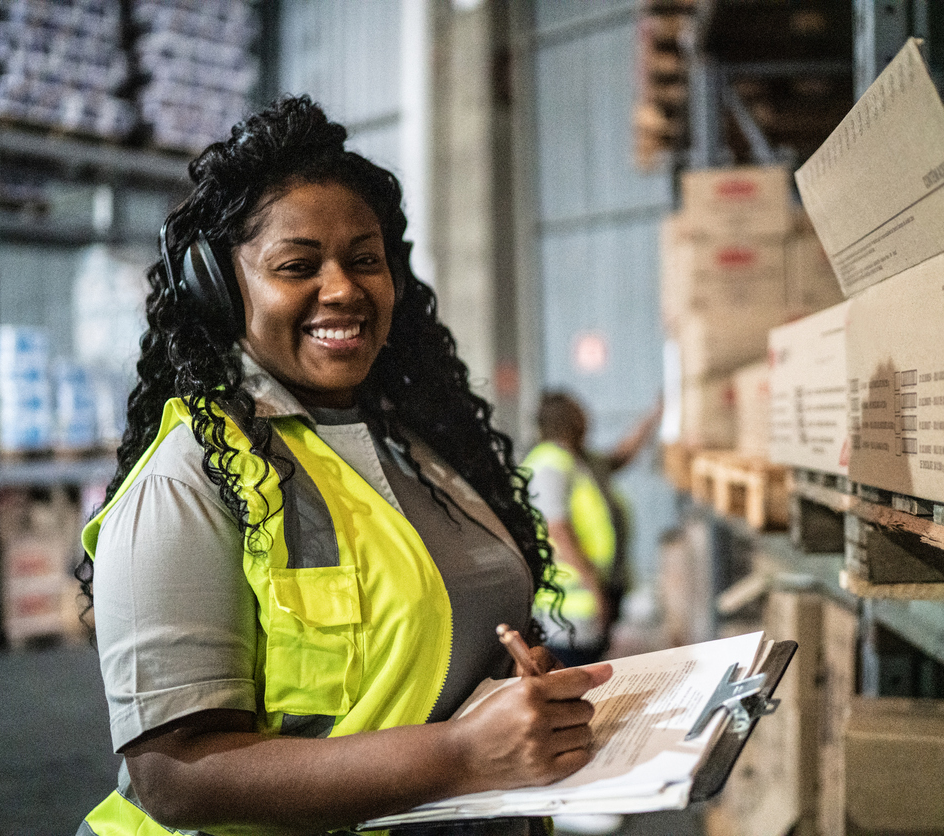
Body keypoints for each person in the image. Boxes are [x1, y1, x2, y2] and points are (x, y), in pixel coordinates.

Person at [74, 96, 610, 836]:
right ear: (220, 289)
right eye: (298, 266)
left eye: (365, 260)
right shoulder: (193, 475)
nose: (344, 288)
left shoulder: (414, 448)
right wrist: (458, 753)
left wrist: (519, 700)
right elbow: (176, 779)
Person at [523, 392, 660, 668]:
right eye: (581, 414)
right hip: (569, 612)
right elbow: (557, 531)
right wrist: (594, 588)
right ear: (570, 421)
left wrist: (655, 415)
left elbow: (620, 456)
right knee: (577, 680)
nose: (588, 420)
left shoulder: (578, 460)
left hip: (587, 601)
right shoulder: (550, 464)